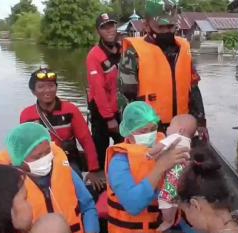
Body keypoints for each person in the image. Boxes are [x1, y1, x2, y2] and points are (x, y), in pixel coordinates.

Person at [102, 101, 203, 233]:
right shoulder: (119, 162)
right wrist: (160, 167)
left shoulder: (169, 145)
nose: (149, 135)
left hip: (169, 223)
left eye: (152, 129)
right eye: (143, 131)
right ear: (129, 131)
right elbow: (133, 206)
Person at [118, 0, 208, 139]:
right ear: (146, 26)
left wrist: (201, 121)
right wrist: (137, 133)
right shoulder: (133, 54)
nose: (167, 31)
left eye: (171, 26)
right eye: (161, 27)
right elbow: (126, 99)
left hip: (181, 128)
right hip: (149, 130)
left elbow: (193, 88)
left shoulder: (184, 50)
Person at [20, 68, 104, 193]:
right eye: (41, 87)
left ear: (56, 87)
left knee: (75, 188)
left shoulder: (70, 110)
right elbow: (25, 147)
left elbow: (86, 140)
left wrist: (94, 170)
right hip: (40, 162)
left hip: (68, 161)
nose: (47, 90)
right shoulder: (27, 115)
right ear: (33, 91)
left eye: (51, 86)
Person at [147, 114, 198, 231]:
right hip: (183, 174)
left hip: (175, 174)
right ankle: (172, 218)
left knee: (164, 197)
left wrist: (149, 153)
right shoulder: (187, 141)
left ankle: (167, 221)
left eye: (170, 126)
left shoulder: (176, 137)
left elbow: (161, 146)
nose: (168, 128)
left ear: (180, 130)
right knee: (174, 198)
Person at [86, 13, 124, 172]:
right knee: (100, 149)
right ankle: (102, 181)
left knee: (124, 147)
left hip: (122, 109)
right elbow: (98, 90)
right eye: (104, 27)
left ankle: (122, 177)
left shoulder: (124, 48)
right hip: (102, 114)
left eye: (112, 25)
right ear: (98, 31)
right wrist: (109, 118)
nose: (109, 30)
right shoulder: (94, 56)